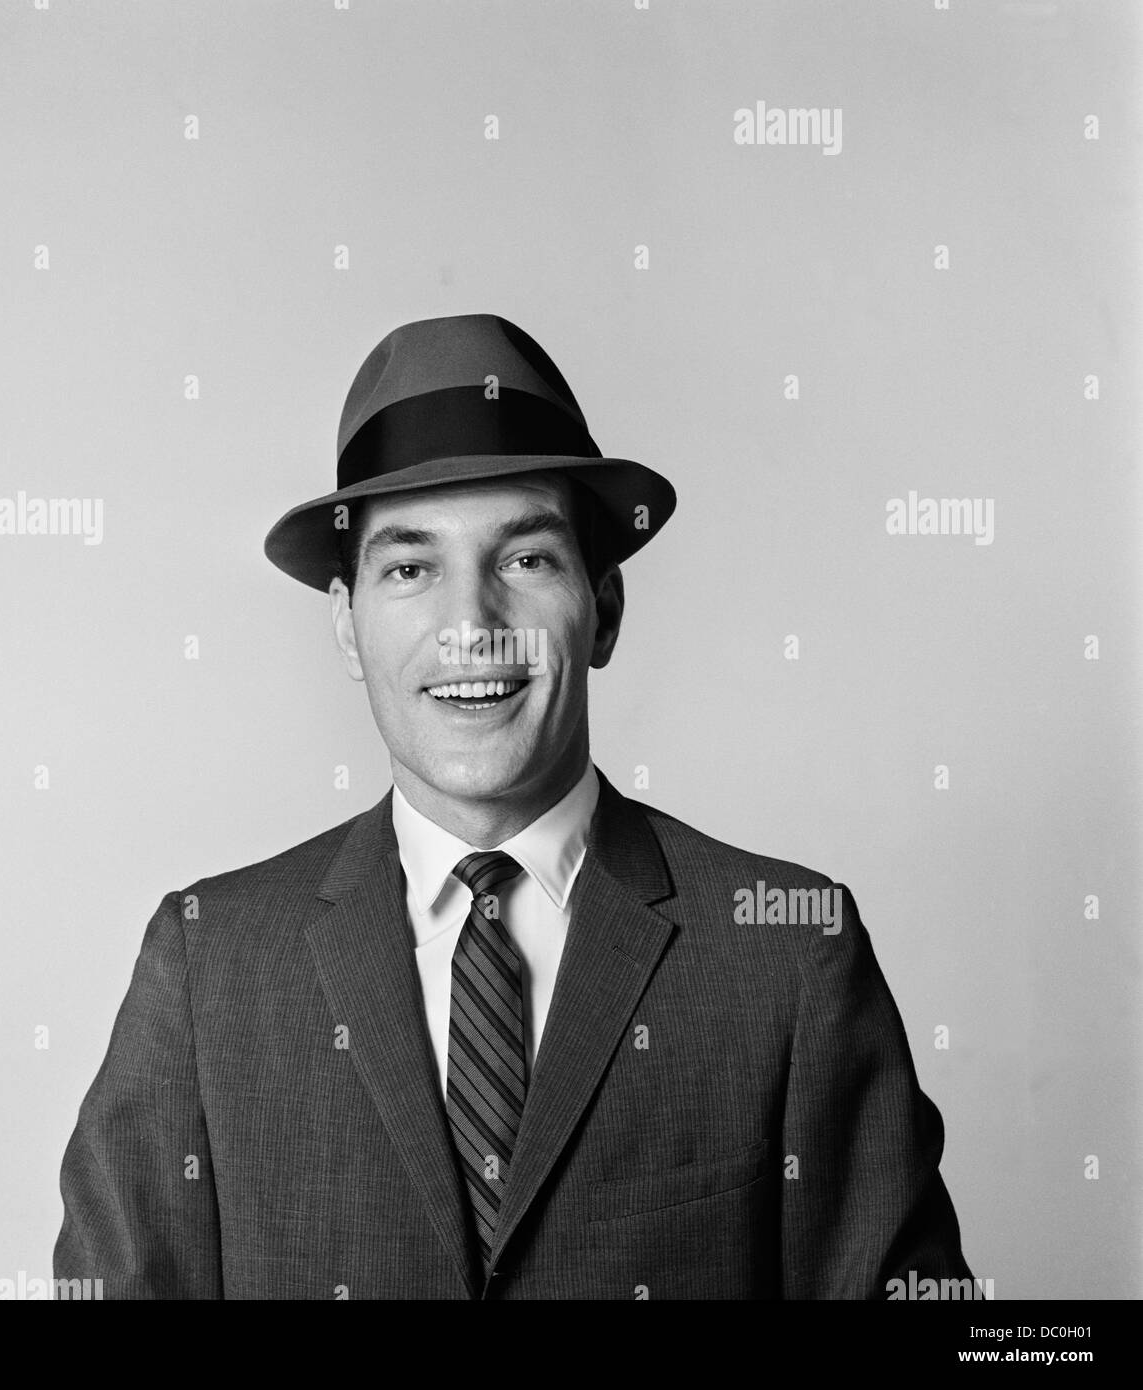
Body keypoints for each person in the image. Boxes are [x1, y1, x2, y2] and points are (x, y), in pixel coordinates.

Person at [54, 313, 975, 1299]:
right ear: (349, 628)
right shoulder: (210, 963)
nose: (471, 623)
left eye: (525, 559)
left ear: (604, 609)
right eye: (410, 567)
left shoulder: (788, 952)